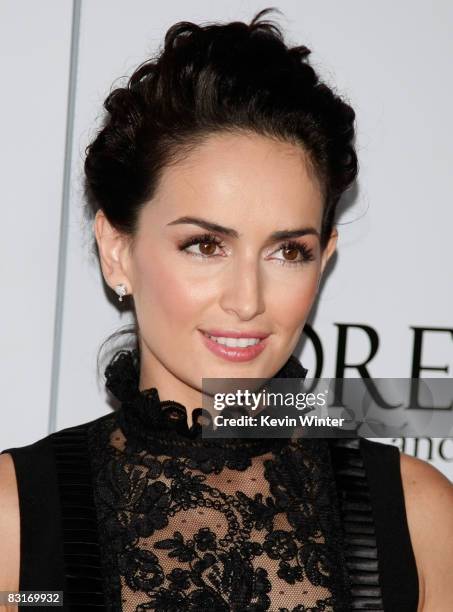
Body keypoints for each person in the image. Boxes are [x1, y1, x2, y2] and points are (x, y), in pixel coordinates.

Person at [1, 8, 452, 612]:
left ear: (325, 259)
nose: (248, 300)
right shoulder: (17, 523)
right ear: (118, 250)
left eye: (289, 251)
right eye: (205, 245)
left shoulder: (419, 519)